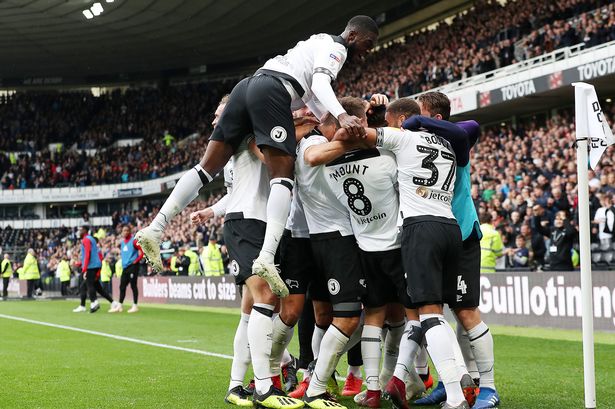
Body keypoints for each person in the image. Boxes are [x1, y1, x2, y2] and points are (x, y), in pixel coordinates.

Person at [136, 16, 379, 305]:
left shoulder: (317, 40)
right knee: (283, 175)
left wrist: (323, 116)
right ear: (353, 35)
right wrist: (342, 115)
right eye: (368, 43)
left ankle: (156, 227)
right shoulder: (337, 48)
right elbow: (320, 83)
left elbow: (315, 96)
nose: (369, 50)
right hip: (274, 91)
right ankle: (266, 257)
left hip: (246, 87)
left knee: (205, 169)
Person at [337, 106, 472, 409]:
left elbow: (360, 135)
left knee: (428, 315)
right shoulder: (449, 143)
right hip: (450, 227)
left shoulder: (402, 138)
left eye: (389, 121)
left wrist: (349, 123)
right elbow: (470, 128)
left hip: (420, 228)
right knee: (436, 312)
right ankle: (450, 373)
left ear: (399, 120)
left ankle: (454, 395)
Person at [190, 96, 308, 409]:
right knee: (267, 298)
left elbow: (241, 188)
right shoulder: (250, 136)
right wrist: (302, 131)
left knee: (249, 310)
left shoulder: (249, 132)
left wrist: (212, 211)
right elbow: (271, 162)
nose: (215, 122)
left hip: (263, 225)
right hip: (248, 224)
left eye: (219, 115)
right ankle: (265, 387)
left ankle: (235, 385)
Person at [405, 93, 498, 409]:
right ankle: (450, 381)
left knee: (465, 311)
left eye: (422, 114)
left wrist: (419, 120)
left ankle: (488, 386)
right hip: (433, 235)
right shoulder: (420, 148)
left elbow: (470, 125)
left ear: (436, 118)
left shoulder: (457, 140)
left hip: (461, 235)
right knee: (432, 315)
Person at [72, 226, 119, 313]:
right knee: (96, 288)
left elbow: (87, 254)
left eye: (80, 230)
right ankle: (113, 303)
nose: (78, 232)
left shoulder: (86, 239)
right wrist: (80, 264)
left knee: (89, 285)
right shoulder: (91, 239)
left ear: (85, 230)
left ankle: (94, 302)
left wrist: (84, 268)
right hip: (94, 265)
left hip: (91, 266)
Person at [110, 225, 143, 313]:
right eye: (124, 230)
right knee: (122, 286)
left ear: (129, 231)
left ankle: (135, 305)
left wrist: (136, 261)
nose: (125, 232)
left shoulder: (134, 241)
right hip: (125, 267)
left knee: (133, 285)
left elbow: (142, 252)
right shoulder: (123, 243)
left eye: (127, 230)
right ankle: (120, 306)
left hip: (133, 266)